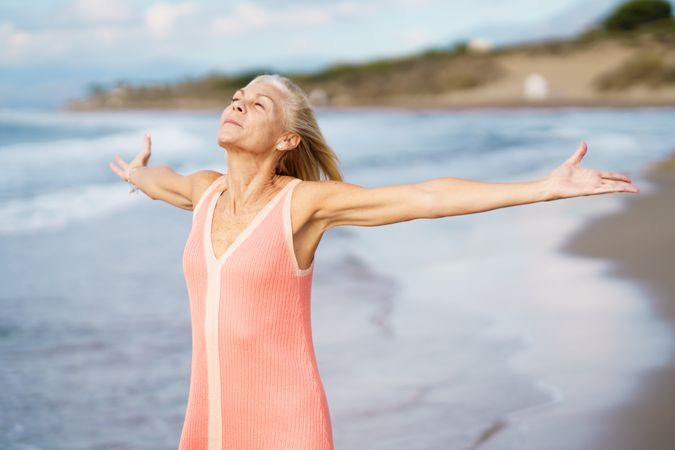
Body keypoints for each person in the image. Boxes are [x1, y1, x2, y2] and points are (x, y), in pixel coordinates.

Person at [108, 73, 639, 449]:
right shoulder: (204, 192)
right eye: (238, 97)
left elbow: (424, 197)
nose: (238, 105)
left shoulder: (303, 205)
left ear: (287, 140)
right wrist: (137, 175)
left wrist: (543, 188)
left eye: (258, 105)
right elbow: (163, 182)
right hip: (209, 420)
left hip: (285, 426)